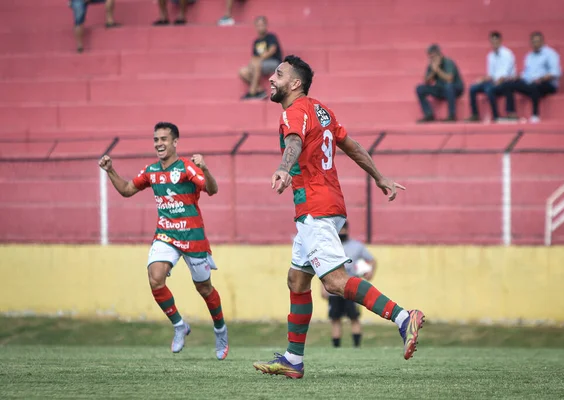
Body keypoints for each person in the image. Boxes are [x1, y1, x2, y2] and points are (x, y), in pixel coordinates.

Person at [253, 55, 425, 379]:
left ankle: (404, 317)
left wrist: (282, 167)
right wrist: (379, 176)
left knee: (333, 282)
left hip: (316, 207)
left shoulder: (295, 112)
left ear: (295, 83)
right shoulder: (322, 110)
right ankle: (293, 359)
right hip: (323, 206)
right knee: (297, 280)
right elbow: (351, 145)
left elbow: (293, 142)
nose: (271, 79)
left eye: (278, 74)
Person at [98, 122, 229, 359]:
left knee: (204, 288)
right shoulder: (151, 171)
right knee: (155, 278)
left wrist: (206, 169)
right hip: (166, 234)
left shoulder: (188, 168)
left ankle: (220, 328)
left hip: (193, 236)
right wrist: (110, 171)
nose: (159, 144)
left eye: (164, 139)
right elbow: (127, 190)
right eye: (156, 139)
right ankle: (179, 325)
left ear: (175, 142)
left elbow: (213, 190)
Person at [320, 221, 376, 348]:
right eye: (339, 229)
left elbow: (372, 261)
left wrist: (370, 272)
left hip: (352, 288)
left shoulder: (357, 246)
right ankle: (336, 348)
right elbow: (323, 269)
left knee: (354, 317)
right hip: (333, 289)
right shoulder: (329, 247)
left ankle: (356, 347)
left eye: (344, 229)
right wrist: (322, 287)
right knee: (335, 319)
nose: (342, 232)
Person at [500, 31, 562, 123]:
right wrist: (518, 77)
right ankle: (511, 113)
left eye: (537, 41)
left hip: (547, 84)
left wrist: (541, 79)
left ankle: (535, 115)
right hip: (530, 82)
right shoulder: (529, 56)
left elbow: (555, 73)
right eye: (533, 42)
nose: (535, 44)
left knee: (535, 86)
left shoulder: (550, 54)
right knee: (508, 84)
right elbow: (527, 74)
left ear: (542, 42)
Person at [466, 31, 516, 122]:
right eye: (492, 42)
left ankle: (496, 116)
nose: (494, 44)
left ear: (500, 41)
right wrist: (483, 79)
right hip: (494, 81)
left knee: (489, 89)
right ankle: (475, 114)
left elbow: (505, 73)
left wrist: (495, 82)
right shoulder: (490, 56)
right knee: (473, 88)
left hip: (505, 81)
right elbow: (491, 74)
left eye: (496, 41)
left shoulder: (507, 54)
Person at [416, 44, 464, 122]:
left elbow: (449, 79)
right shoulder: (432, 64)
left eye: (433, 56)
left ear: (439, 54)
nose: (432, 58)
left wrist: (437, 69)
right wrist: (433, 71)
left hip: (455, 89)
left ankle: (451, 115)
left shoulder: (448, 62)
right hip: (441, 89)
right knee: (420, 88)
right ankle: (429, 114)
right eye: (430, 56)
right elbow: (426, 81)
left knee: (449, 86)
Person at [239, 16, 283, 100]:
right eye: (258, 25)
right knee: (242, 71)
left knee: (256, 63)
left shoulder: (271, 36)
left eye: (262, 25)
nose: (260, 27)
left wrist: (258, 60)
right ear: (255, 27)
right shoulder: (256, 41)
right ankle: (260, 91)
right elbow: (254, 57)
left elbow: (272, 50)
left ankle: (252, 92)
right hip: (260, 65)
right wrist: (251, 64)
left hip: (274, 63)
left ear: (266, 25)